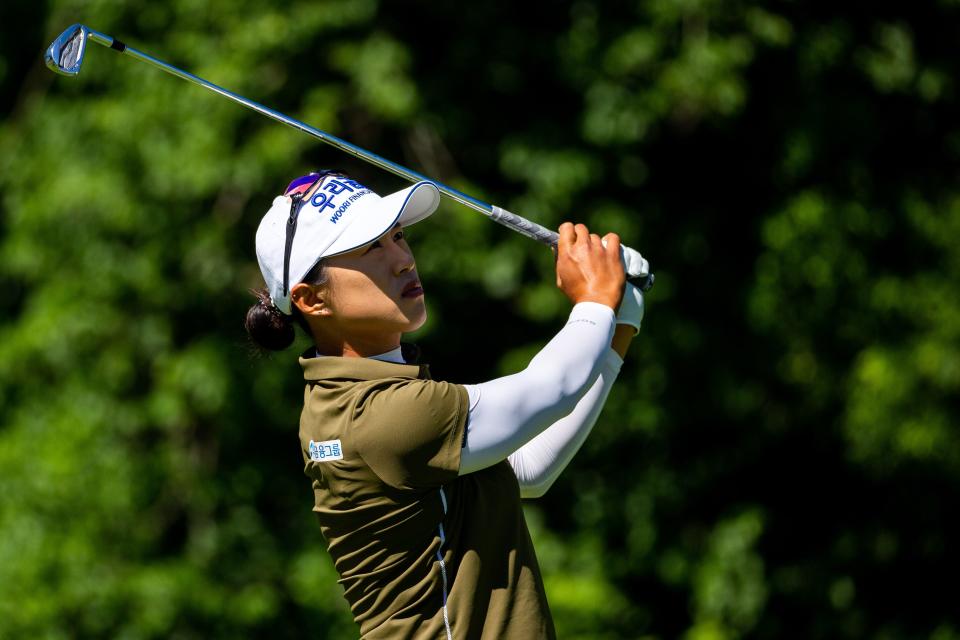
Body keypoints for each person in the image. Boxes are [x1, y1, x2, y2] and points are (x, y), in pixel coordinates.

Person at [246, 170, 644, 639]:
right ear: (312, 299)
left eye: (397, 236)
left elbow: (526, 467)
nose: (402, 260)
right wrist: (596, 299)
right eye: (372, 248)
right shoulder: (385, 415)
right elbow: (551, 387)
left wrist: (619, 319)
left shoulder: (350, 399)